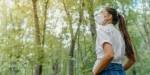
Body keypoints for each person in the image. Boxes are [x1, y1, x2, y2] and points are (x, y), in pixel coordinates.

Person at [92, 7, 136, 75]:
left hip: (106, 71)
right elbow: (132, 60)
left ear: (109, 16)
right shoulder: (120, 34)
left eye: (102, 12)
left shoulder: (103, 30)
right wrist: (118, 70)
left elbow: (109, 55)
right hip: (120, 71)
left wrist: (95, 72)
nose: (99, 14)